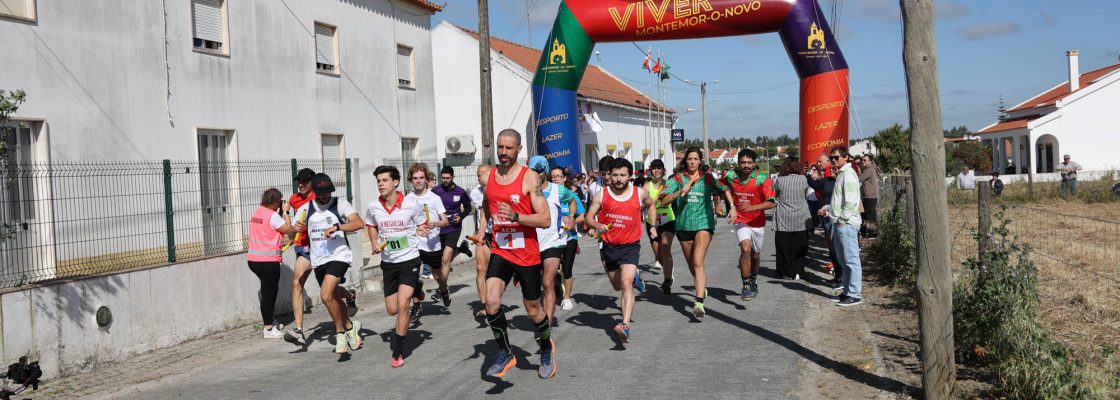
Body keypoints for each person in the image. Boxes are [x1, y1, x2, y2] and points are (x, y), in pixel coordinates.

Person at [481, 129, 556, 379]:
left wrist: (515, 215)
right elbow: (487, 201)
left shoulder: (529, 179)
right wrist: (484, 228)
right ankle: (506, 353)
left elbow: (545, 219)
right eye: (500, 147)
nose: (503, 153)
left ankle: (546, 346)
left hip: (526, 252)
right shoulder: (487, 176)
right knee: (491, 302)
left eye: (509, 148)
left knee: (533, 310)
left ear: (519, 150)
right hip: (501, 249)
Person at [585, 158, 658, 343]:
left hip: (630, 246)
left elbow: (651, 205)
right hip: (609, 247)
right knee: (617, 285)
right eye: (615, 175)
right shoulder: (602, 194)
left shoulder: (639, 193)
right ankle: (634, 278)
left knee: (626, 284)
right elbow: (588, 217)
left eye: (622, 175)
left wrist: (653, 225)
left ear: (630, 176)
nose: (618, 179)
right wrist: (596, 224)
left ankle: (625, 325)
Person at [364, 165, 430, 367]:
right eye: (378, 181)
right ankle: (418, 289)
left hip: (409, 259)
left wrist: (421, 230)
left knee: (403, 305)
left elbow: (422, 223)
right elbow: (371, 225)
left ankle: (397, 352)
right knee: (392, 310)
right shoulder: (374, 206)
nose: (381, 184)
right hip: (389, 263)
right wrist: (374, 242)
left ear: (395, 182)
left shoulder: (411, 204)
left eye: (384, 180)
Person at [292, 173, 365, 353]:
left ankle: (340, 333)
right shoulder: (306, 208)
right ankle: (350, 327)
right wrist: (296, 228)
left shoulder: (340, 204)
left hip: (339, 256)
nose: (326, 196)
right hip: (319, 259)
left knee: (325, 295)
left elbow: (358, 223)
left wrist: (338, 227)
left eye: (328, 192)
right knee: (332, 295)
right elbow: (291, 231)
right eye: (321, 193)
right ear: (314, 191)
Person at [659, 147, 734, 318]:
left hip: (704, 224)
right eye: (689, 159)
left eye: (695, 159)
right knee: (692, 265)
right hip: (683, 227)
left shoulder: (707, 178)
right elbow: (663, 200)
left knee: (698, 261)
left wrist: (733, 207)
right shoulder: (677, 179)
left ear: (700, 161)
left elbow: (724, 189)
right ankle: (702, 286)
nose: (692, 161)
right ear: (685, 161)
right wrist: (680, 191)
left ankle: (699, 301)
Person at [527, 156, 576, 325]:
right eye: (533, 170)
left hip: (554, 242)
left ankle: (546, 325)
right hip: (533, 244)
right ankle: (545, 307)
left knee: (547, 282)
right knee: (538, 286)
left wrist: (570, 217)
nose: (536, 174)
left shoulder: (558, 190)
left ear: (545, 171)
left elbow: (572, 200)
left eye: (539, 170)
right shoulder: (527, 192)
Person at [722, 149, 775, 301]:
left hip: (757, 222)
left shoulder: (762, 178)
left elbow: (772, 202)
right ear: (738, 163)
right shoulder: (731, 176)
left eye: (749, 163)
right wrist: (726, 204)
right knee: (745, 248)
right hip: (740, 219)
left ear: (754, 163)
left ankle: (753, 279)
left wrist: (753, 207)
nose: (746, 165)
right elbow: (721, 187)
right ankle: (745, 285)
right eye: (743, 162)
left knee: (755, 254)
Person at [819, 146, 864, 307]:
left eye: (836, 157)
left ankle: (854, 293)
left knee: (851, 260)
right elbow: (840, 201)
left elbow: (851, 202)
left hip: (846, 224)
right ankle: (847, 291)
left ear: (845, 157)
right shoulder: (842, 174)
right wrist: (829, 209)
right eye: (831, 158)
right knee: (844, 260)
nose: (833, 160)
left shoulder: (848, 175)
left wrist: (841, 219)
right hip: (840, 222)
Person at [247, 188, 294, 338]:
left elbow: (270, 230)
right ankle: (268, 328)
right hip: (268, 261)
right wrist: (286, 212)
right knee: (268, 293)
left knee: (269, 291)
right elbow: (288, 229)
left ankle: (270, 321)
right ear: (275, 202)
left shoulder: (258, 212)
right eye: (280, 202)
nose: (281, 204)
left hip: (254, 259)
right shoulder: (273, 216)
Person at [405, 164, 450, 305]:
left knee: (437, 275)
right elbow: (404, 222)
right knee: (412, 275)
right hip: (414, 243)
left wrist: (434, 224)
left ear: (426, 179)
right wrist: (416, 230)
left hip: (432, 244)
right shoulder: (407, 199)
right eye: (415, 178)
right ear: (411, 180)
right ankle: (416, 304)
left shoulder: (434, 198)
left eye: (421, 178)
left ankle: (443, 290)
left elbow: (445, 222)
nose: (418, 181)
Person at [433, 165, 475, 306]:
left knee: (446, 259)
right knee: (438, 262)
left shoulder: (460, 192)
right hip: (439, 229)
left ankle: (441, 289)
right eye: (443, 178)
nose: (445, 180)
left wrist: (461, 216)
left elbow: (469, 207)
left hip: (453, 227)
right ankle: (461, 249)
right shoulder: (435, 191)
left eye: (448, 178)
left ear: (452, 177)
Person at [550, 166, 585, 311]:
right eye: (553, 176)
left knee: (567, 268)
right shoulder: (547, 195)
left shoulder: (571, 195)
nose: (556, 179)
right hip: (552, 238)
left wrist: (572, 222)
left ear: (564, 178)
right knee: (550, 269)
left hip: (570, 238)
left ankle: (567, 298)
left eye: (559, 176)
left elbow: (583, 216)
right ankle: (556, 284)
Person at [772, 158, 812, 279]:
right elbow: (805, 193)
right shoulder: (803, 179)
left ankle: (784, 271)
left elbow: (777, 194)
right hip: (800, 215)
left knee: (783, 246)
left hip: (783, 216)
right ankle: (798, 270)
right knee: (799, 245)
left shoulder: (780, 180)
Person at [642, 159, 677, 294]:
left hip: (668, 219)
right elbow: (641, 204)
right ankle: (669, 270)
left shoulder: (669, 185)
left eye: (659, 168)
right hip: (652, 223)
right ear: (651, 171)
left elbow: (674, 199)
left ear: (663, 170)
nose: (656, 171)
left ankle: (667, 280)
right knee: (658, 255)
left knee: (665, 247)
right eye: (654, 168)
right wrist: (649, 204)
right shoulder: (646, 186)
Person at [466, 164, 493, 319]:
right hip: (483, 234)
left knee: (494, 271)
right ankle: (484, 305)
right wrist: (478, 231)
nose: (479, 177)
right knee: (480, 268)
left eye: (482, 174)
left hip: (498, 234)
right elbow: (477, 213)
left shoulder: (499, 188)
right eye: (477, 175)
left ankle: (493, 300)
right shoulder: (475, 192)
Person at [858, 154, 879, 237]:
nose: (863, 162)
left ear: (870, 161)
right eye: (862, 160)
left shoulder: (869, 170)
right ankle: (869, 233)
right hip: (869, 196)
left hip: (869, 196)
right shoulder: (869, 169)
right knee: (867, 215)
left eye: (865, 160)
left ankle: (872, 234)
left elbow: (859, 179)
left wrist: (859, 171)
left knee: (869, 216)